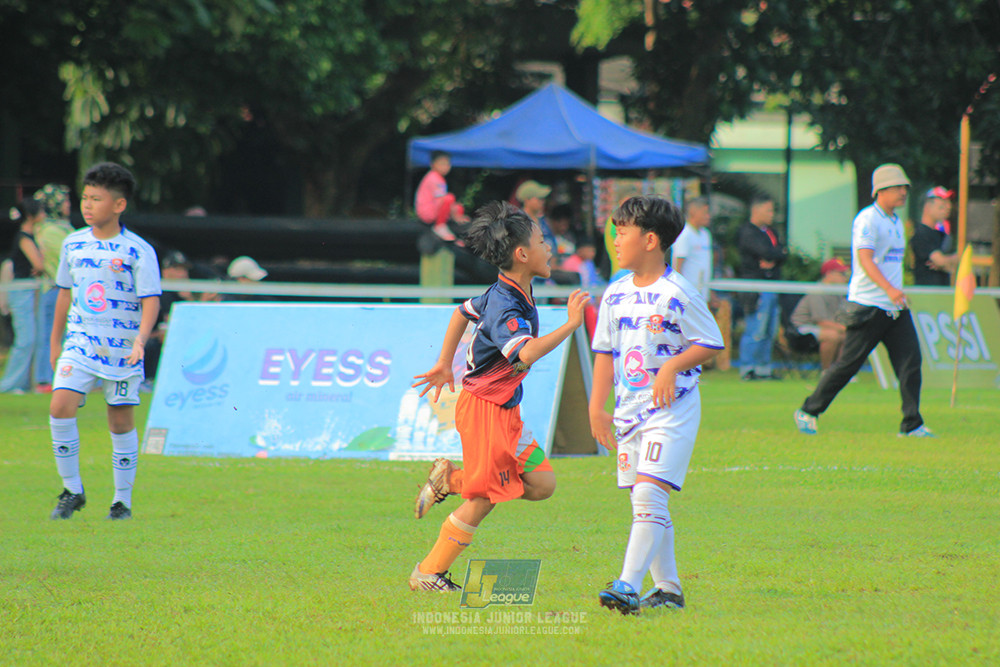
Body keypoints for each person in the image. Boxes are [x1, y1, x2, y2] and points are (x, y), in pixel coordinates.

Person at [407, 200, 590, 592]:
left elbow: (461, 311)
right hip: (485, 411)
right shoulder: (506, 304)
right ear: (523, 254)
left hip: (505, 408)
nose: (550, 248)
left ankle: (451, 479)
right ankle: (428, 572)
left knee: (541, 484)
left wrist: (443, 363)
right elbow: (524, 353)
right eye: (543, 241)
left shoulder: (507, 291)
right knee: (484, 497)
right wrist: (571, 324)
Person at [589, 196, 724, 614]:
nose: (614, 239)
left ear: (650, 240)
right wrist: (597, 407)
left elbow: (711, 342)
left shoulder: (677, 292)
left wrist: (672, 368)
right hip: (630, 413)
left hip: (673, 408)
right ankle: (668, 589)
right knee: (645, 501)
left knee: (648, 495)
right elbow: (605, 353)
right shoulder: (614, 294)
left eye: (622, 231)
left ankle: (628, 585)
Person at [48, 162, 161, 521]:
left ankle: (121, 501)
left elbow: (150, 301)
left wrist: (140, 340)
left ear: (118, 205)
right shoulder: (73, 244)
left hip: (122, 349)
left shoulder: (138, 250)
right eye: (85, 198)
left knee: (120, 423)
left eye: (96, 198)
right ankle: (72, 490)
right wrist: (55, 344)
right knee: (59, 407)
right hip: (80, 342)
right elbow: (64, 296)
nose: (87, 205)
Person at [795, 164, 932, 438]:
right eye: (898, 187)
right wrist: (890, 289)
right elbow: (865, 259)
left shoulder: (895, 222)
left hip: (894, 307)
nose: (904, 192)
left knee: (910, 363)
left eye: (905, 187)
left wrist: (896, 293)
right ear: (881, 190)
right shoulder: (867, 219)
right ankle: (809, 410)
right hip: (868, 306)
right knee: (847, 366)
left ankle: (911, 424)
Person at [673, 196, 732, 371]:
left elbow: (706, 267)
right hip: (687, 295)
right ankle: (682, 367)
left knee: (699, 332)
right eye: (705, 212)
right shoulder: (685, 234)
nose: (708, 216)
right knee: (685, 332)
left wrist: (711, 292)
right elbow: (678, 265)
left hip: (702, 293)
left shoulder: (705, 235)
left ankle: (696, 368)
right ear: (693, 212)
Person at [736, 195, 787, 380]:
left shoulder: (771, 231)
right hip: (755, 288)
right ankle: (748, 368)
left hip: (772, 286)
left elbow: (782, 253)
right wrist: (774, 254)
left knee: (769, 330)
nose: (772, 214)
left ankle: (763, 369)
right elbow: (765, 252)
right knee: (755, 329)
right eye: (769, 210)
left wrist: (776, 255)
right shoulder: (747, 232)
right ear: (756, 211)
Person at [0, 200, 46, 394]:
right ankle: (8, 384)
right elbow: (39, 264)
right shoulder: (24, 238)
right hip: (21, 290)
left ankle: (23, 382)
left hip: (29, 290)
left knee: (31, 338)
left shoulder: (31, 236)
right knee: (25, 339)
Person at [33, 183, 75, 392]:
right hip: (56, 290)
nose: (69, 205)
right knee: (52, 334)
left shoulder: (62, 228)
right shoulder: (51, 231)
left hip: (67, 290)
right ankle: (45, 380)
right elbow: (69, 260)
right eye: (64, 201)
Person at [789, 258, 849, 370]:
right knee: (832, 336)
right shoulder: (818, 291)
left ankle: (840, 371)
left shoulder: (838, 292)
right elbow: (820, 321)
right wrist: (844, 328)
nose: (844, 276)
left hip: (826, 327)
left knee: (848, 337)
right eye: (841, 273)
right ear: (829, 274)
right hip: (802, 330)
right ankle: (826, 372)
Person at [415, 151, 469, 242]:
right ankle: (440, 226)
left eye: (447, 164)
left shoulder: (437, 177)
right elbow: (441, 201)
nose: (445, 167)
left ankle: (456, 233)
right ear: (433, 165)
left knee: (458, 207)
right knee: (449, 198)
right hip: (427, 212)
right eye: (442, 164)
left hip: (434, 208)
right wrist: (454, 214)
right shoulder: (435, 178)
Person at [911, 187, 958, 286]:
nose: (948, 207)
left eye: (948, 203)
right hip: (926, 294)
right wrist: (945, 263)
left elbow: (957, 259)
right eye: (942, 205)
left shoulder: (942, 235)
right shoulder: (921, 233)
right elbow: (941, 261)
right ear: (927, 207)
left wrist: (946, 262)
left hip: (942, 292)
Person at [515, 180, 556, 252]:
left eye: (543, 199)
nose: (543, 202)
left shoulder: (544, 221)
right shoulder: (517, 221)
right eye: (539, 199)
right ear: (527, 200)